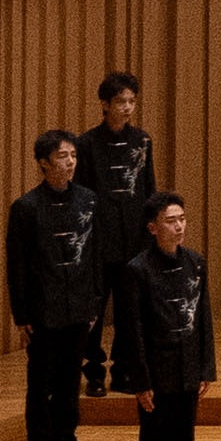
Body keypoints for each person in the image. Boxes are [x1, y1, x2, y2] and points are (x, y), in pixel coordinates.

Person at [4, 130, 109, 441]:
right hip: (43, 311)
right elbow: (17, 266)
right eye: (63, 156)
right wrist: (22, 315)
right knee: (42, 388)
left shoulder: (88, 200)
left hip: (79, 307)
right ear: (44, 163)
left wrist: (94, 302)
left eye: (73, 156)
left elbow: (95, 255)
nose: (70, 162)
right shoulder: (26, 208)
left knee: (69, 386)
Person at [111, 192, 211, 441]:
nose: (179, 226)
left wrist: (205, 368)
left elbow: (203, 319)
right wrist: (141, 381)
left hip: (187, 372)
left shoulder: (195, 263)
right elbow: (132, 330)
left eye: (182, 218)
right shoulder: (137, 269)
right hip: (155, 377)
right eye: (171, 220)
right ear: (153, 228)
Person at [72, 72, 158, 395]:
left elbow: (148, 189)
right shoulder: (87, 144)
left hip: (133, 239)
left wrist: (150, 234)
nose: (127, 107)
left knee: (129, 311)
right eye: (121, 101)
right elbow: (81, 196)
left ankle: (124, 370)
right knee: (93, 310)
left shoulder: (142, 142)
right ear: (105, 104)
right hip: (98, 241)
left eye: (132, 101)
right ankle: (94, 372)